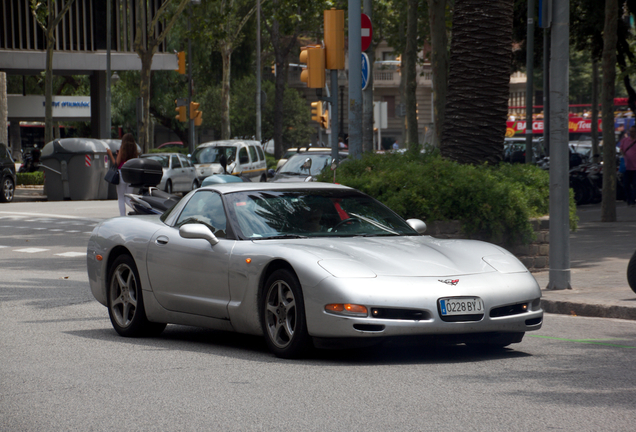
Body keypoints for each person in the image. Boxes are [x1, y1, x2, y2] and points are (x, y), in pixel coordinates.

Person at [106, 133, 139, 216]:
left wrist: (110, 153)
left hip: (122, 174)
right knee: (128, 198)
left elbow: (116, 164)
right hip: (131, 175)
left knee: (121, 197)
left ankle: (122, 216)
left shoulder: (122, 149)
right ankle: (139, 210)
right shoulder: (135, 150)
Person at [620, 125, 636, 206]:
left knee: (635, 185)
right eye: (630, 131)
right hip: (627, 167)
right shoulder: (625, 140)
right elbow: (621, 150)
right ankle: (629, 199)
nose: (631, 132)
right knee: (626, 184)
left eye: (633, 131)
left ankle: (632, 200)